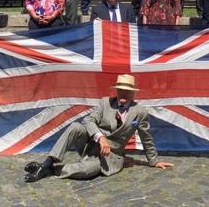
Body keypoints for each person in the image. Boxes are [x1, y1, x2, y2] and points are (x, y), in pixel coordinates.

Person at [24, 74, 174, 182]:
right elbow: (88, 120)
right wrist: (101, 137)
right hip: (89, 145)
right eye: (120, 89)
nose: (124, 93)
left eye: (127, 90)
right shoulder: (105, 103)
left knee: (86, 171)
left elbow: (146, 138)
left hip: (110, 157)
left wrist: (154, 161)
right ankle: (47, 162)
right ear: (116, 90)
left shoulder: (140, 112)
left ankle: (48, 170)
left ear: (133, 92)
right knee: (76, 126)